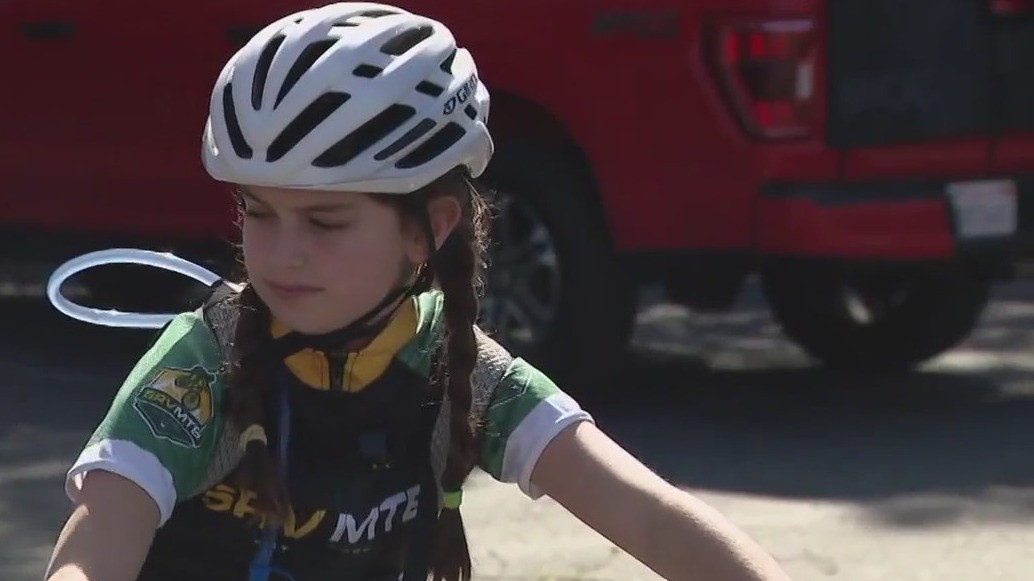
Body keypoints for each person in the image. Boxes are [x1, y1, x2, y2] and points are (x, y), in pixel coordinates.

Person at [44, 3, 793, 581]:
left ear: (428, 229)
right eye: (259, 213)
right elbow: (101, 534)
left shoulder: (457, 366)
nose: (281, 252)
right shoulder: (204, 363)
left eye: (326, 221)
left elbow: (649, 514)